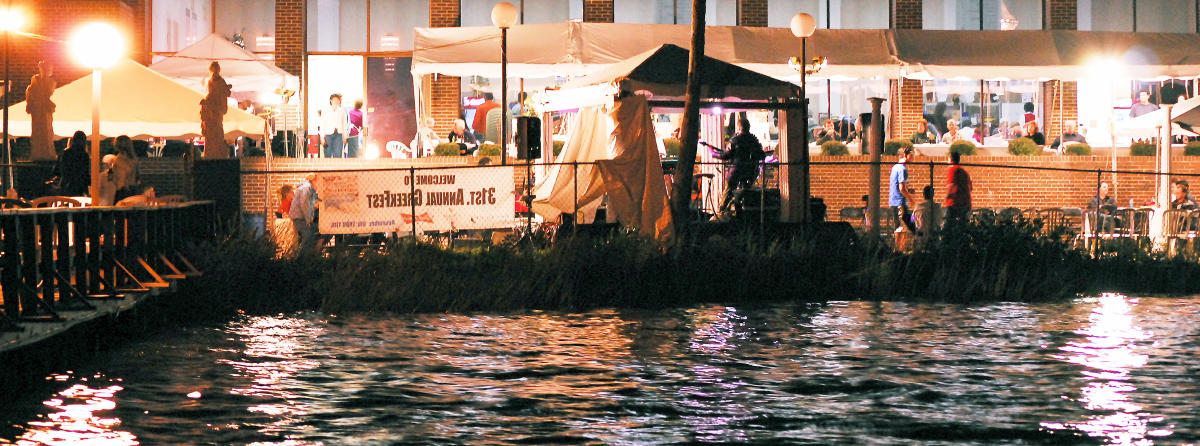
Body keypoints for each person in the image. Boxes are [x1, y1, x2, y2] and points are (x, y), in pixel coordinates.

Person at [714, 117, 766, 216]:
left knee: (728, 190)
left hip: (736, 170)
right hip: (751, 171)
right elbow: (761, 154)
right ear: (749, 127)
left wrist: (714, 154)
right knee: (746, 191)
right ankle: (743, 212)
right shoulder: (754, 140)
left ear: (739, 127)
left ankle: (721, 211)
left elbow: (726, 156)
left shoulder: (735, 140)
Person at [200, 61, 232, 158]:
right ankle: (213, 152)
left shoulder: (220, 81)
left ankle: (216, 151)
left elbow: (224, 93)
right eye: (213, 70)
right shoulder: (212, 82)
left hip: (217, 110)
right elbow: (212, 93)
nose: (215, 72)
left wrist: (225, 89)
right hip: (213, 110)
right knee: (212, 133)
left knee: (217, 131)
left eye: (216, 70)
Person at [27, 61, 57, 161]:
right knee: (39, 133)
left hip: (44, 111)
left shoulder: (50, 82)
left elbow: (47, 92)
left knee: (46, 132)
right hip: (38, 111)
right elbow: (31, 93)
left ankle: (46, 153)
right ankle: (40, 153)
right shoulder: (35, 81)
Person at [889, 146, 918, 236]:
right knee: (907, 223)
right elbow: (901, 189)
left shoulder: (895, 167)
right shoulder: (902, 169)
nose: (913, 157)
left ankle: (898, 247)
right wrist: (911, 200)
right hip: (900, 202)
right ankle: (920, 238)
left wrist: (908, 190)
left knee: (899, 226)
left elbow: (898, 185)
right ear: (905, 155)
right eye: (911, 155)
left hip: (893, 201)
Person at [56, 131, 91, 197]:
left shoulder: (65, 153)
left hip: (66, 185)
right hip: (80, 186)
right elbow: (85, 173)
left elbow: (58, 170)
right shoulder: (84, 155)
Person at [942, 151, 972, 229]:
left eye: (948, 159)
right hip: (965, 202)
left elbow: (951, 186)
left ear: (951, 160)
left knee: (948, 225)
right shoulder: (964, 172)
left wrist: (948, 197)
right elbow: (970, 187)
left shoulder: (952, 169)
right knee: (963, 226)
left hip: (955, 203)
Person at [290, 173, 319, 249]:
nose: (318, 185)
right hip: (300, 217)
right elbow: (304, 203)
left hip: (299, 217)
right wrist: (308, 218)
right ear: (313, 181)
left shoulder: (306, 188)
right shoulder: (306, 188)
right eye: (317, 182)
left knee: (314, 232)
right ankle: (303, 257)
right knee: (308, 237)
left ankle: (306, 254)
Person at [111, 135, 141, 202]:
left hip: (122, 191)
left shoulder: (118, 160)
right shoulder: (134, 159)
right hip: (133, 189)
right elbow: (137, 176)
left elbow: (118, 178)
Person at [320, 94, 349, 158]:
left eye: (337, 100)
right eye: (334, 100)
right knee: (327, 154)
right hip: (328, 135)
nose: (336, 101)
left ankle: (337, 167)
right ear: (331, 101)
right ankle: (327, 168)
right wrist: (322, 137)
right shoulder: (325, 111)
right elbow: (322, 124)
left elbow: (345, 125)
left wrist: (345, 137)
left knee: (338, 154)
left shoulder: (342, 111)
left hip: (338, 135)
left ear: (339, 101)